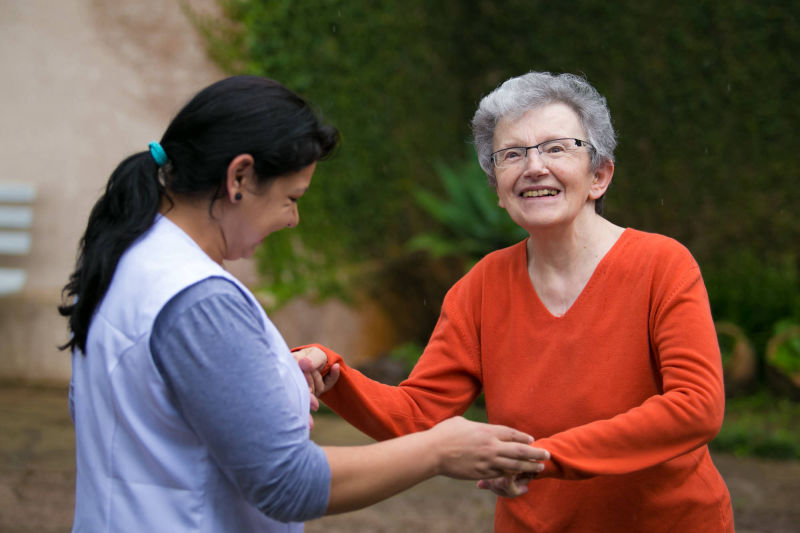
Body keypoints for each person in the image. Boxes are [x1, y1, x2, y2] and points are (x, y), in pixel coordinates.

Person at [57, 75, 549, 533]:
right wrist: (438, 450)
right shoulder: (198, 300)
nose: (292, 220)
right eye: (292, 197)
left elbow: (163, 406)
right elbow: (287, 482)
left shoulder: (129, 258)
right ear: (240, 178)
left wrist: (265, 381)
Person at [303, 71, 735, 532]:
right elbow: (417, 414)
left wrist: (544, 458)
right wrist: (331, 374)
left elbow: (696, 407)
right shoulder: (480, 287)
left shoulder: (662, 265)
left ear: (599, 176)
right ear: (498, 190)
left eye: (556, 147)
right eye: (512, 155)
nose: (534, 167)